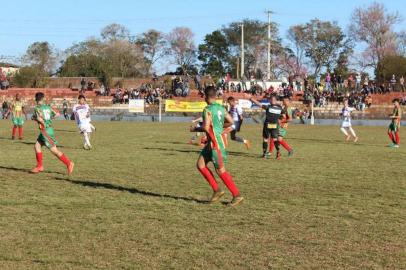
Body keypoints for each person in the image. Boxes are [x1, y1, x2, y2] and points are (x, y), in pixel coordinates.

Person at [193, 86, 244, 206]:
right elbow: (231, 122)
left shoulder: (207, 109)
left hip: (216, 144)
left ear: (206, 96)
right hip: (211, 144)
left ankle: (237, 195)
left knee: (221, 171)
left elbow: (205, 127)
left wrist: (195, 128)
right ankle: (217, 190)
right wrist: (219, 126)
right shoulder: (221, 108)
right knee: (200, 165)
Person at [31, 92, 74, 174]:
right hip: (47, 129)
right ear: (43, 99)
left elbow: (40, 119)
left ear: (36, 99)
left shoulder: (37, 108)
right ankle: (39, 166)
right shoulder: (48, 107)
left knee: (54, 150)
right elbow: (58, 114)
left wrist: (36, 119)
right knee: (37, 146)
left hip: (45, 131)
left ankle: (69, 163)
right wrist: (49, 118)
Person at [249, 94, 283, 159]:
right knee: (275, 139)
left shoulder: (269, 107)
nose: (271, 100)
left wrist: (251, 99)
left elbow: (259, 104)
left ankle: (264, 154)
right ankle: (278, 152)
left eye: (271, 99)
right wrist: (280, 120)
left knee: (265, 139)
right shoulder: (280, 108)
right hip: (275, 125)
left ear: (270, 101)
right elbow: (283, 115)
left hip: (267, 125)